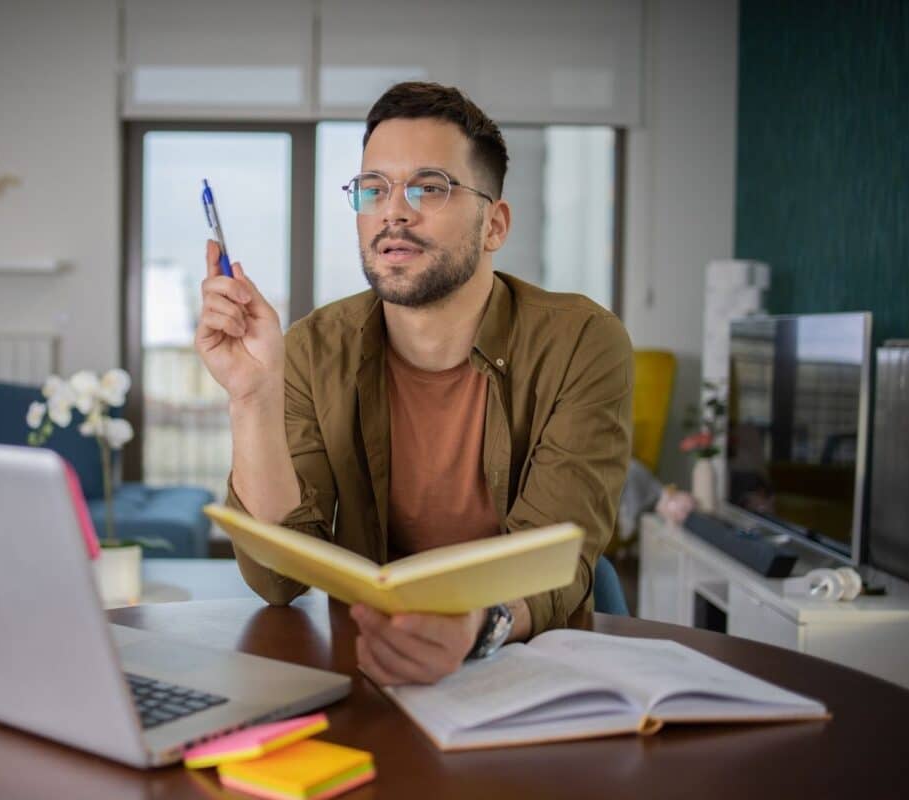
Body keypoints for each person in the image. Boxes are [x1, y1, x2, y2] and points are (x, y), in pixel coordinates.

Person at [194, 82, 632, 686]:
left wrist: (473, 628)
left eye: (430, 187)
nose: (393, 211)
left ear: (494, 225)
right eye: (373, 189)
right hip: (373, 663)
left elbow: (559, 557)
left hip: (528, 665)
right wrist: (252, 398)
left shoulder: (582, 340)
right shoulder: (311, 349)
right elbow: (277, 578)